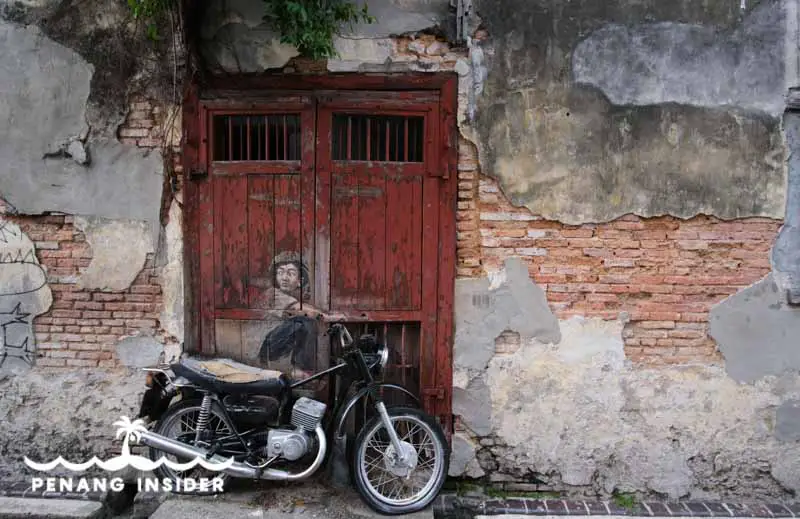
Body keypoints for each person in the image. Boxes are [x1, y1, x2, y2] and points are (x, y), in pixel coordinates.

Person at [256, 251, 345, 380]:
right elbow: (299, 309)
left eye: (290, 273)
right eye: (280, 272)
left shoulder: (296, 296)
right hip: (267, 348)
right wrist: (326, 317)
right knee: (305, 321)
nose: (284, 278)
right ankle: (301, 371)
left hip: (279, 347)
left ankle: (302, 371)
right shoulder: (272, 294)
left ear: (300, 281)